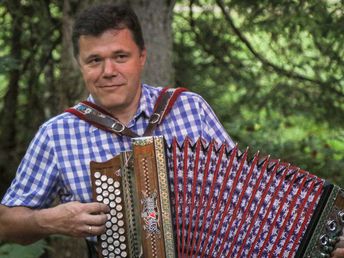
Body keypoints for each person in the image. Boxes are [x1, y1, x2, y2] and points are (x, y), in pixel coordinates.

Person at [0, 3, 343, 258]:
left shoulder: (187, 107)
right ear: (81, 64)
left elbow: (245, 196)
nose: (109, 71)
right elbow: (5, 223)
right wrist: (48, 221)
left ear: (142, 57)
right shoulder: (57, 135)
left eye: (120, 56)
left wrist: (316, 239)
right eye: (95, 60)